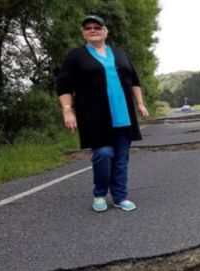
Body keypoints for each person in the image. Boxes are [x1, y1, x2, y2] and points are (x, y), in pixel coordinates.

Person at [57, 15, 149, 212]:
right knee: (104, 154)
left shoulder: (119, 53)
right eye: (88, 27)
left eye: (97, 27)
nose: (92, 30)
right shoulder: (76, 56)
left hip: (123, 115)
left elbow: (134, 80)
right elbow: (64, 85)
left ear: (105, 31)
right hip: (94, 117)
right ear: (83, 32)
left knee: (121, 158)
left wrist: (140, 104)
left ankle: (120, 196)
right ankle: (99, 193)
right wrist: (67, 111)